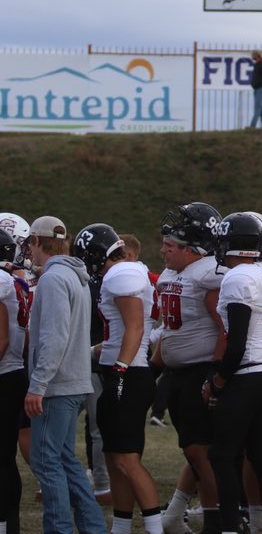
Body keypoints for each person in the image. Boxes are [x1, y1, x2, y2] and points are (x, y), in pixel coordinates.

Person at [72, 224, 161, 534]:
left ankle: (154, 527)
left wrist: (120, 371)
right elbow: (118, 335)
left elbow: (135, 328)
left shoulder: (121, 274)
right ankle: (120, 528)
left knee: (127, 460)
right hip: (120, 368)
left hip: (129, 374)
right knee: (113, 459)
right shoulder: (127, 271)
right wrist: (86, 353)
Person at [23, 215, 107, 534]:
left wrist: (38, 384)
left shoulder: (54, 279)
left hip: (57, 385)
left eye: (30, 243)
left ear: (36, 241)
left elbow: (54, 337)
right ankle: (93, 527)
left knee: (47, 462)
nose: (28, 251)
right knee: (65, 459)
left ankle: (59, 529)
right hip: (73, 381)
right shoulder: (76, 276)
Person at [205, 212, 262, 534]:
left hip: (245, 376)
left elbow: (235, 344)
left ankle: (229, 528)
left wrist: (218, 382)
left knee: (223, 456)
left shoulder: (238, 278)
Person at [154, 202, 225, 534]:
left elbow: (226, 329)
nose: (164, 250)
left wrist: (216, 373)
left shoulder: (209, 273)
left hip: (200, 372)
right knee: (193, 449)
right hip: (179, 373)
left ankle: (217, 519)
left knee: (200, 450)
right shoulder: (177, 272)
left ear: (193, 246)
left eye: (171, 245)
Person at [0, 230, 28, 534]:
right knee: (6, 459)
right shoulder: (15, 280)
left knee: (2, 459)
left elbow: (2, 340)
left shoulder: (2, 281)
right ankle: (11, 523)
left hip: (4, 375)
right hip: (14, 373)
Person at [249, 51, 262, 129]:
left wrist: (257, 82)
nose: (252, 56)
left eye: (253, 54)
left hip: (261, 87)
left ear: (257, 55)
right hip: (257, 88)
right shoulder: (257, 64)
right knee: (260, 108)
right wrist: (253, 83)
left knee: (257, 107)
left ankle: (252, 125)